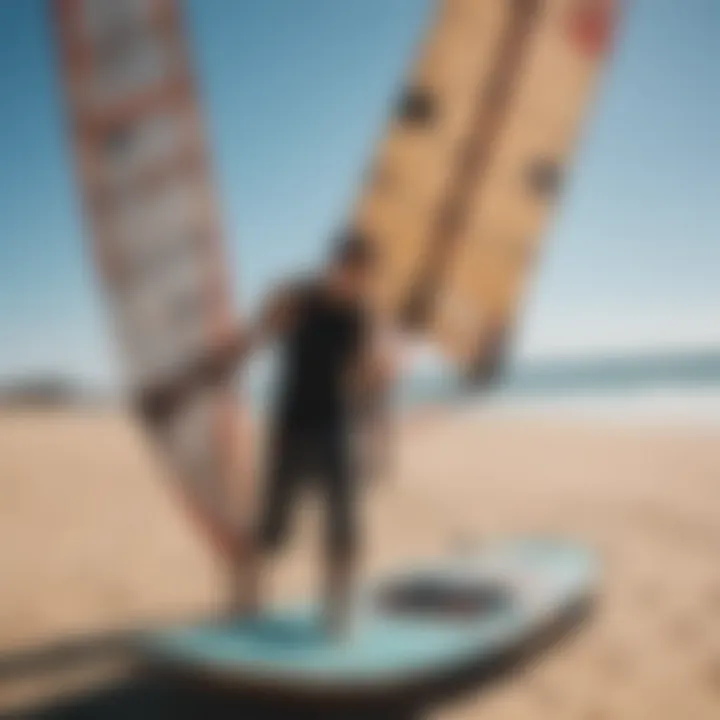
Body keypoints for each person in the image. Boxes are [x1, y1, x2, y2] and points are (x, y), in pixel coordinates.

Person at [140, 230, 396, 637]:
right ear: (335, 264)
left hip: (335, 431)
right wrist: (179, 389)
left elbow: (366, 386)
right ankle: (242, 607)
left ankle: (338, 618)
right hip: (291, 431)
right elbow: (243, 345)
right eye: (350, 268)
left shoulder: (361, 317)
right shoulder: (296, 300)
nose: (355, 280)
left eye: (364, 274)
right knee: (273, 533)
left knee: (344, 527)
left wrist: (381, 419)